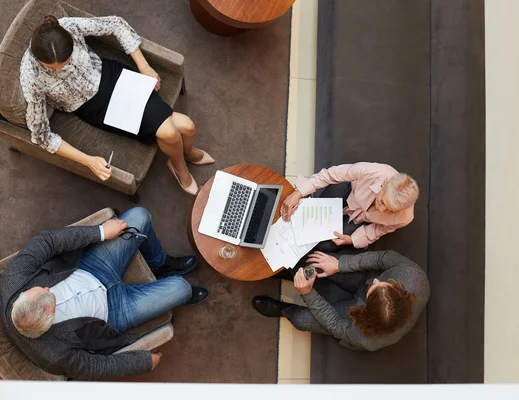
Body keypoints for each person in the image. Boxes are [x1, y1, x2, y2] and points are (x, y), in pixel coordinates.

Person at [0, 207, 209, 380]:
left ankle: (160, 264)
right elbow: (93, 367)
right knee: (181, 288)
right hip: (114, 311)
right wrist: (143, 362)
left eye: (41, 288)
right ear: (51, 315)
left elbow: (47, 241)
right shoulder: (52, 355)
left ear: (20, 298)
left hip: (91, 268)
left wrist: (101, 232)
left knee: (140, 216)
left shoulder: (12, 282)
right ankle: (180, 291)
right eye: (49, 295)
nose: (46, 288)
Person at [20, 15, 214, 195]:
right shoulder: (31, 76)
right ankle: (180, 167)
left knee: (187, 126)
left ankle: (184, 154)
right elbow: (41, 135)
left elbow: (115, 24)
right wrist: (88, 161)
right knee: (172, 132)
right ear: (39, 60)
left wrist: (144, 66)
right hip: (93, 107)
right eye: (53, 68)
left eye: (66, 61)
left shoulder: (68, 27)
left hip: (111, 76)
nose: (62, 69)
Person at [252, 250, 429, 352]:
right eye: (382, 284)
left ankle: (284, 309)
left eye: (373, 288)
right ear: (397, 289)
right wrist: (340, 264)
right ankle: (286, 271)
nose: (375, 282)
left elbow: (335, 324)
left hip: (356, 317)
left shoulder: (366, 338)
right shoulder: (412, 275)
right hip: (363, 277)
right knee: (315, 261)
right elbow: (381, 258)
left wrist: (308, 293)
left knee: (300, 320)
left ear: (366, 311)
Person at [280, 162, 419, 251]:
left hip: (359, 219)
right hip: (348, 191)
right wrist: (298, 193)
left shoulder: (405, 218)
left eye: (390, 210)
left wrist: (352, 240)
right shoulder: (373, 171)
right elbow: (329, 175)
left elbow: (379, 229)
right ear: (385, 183)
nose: (381, 210)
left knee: (324, 245)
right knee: (304, 211)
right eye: (382, 202)